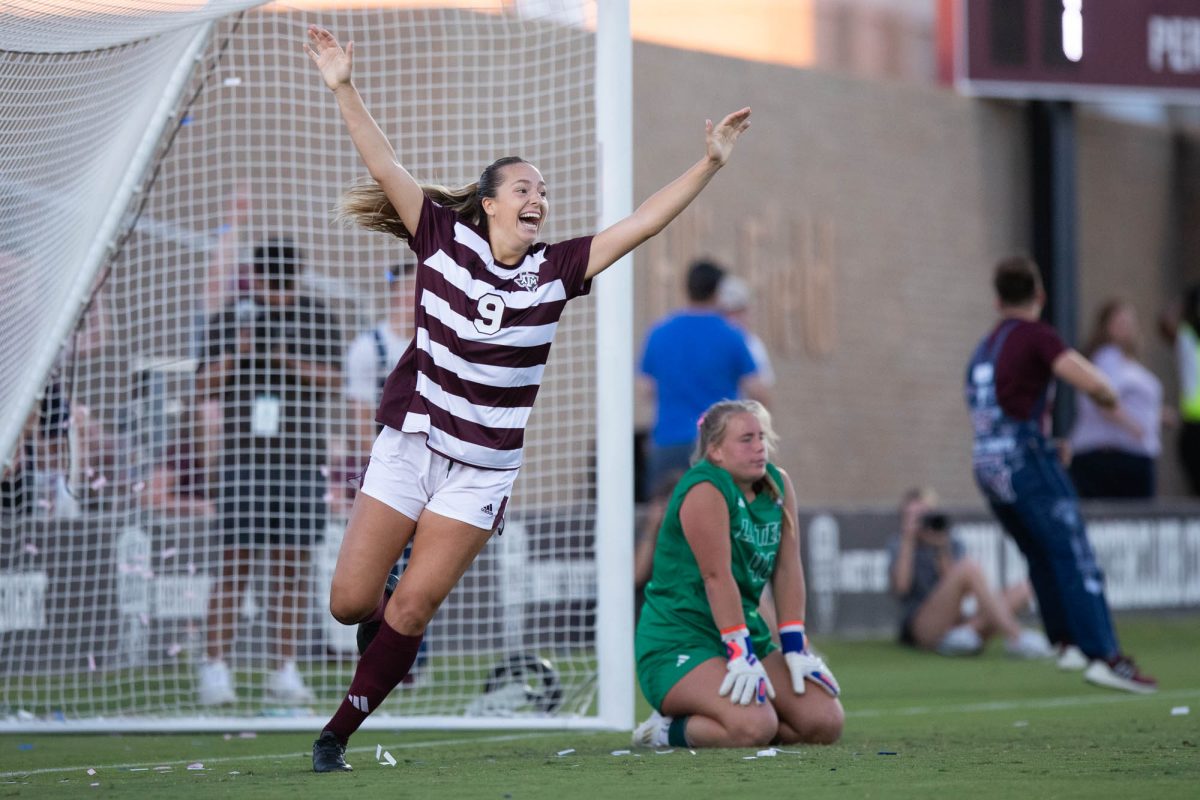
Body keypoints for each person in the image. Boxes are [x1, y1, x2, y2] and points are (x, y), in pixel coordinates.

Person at [304, 24, 753, 772]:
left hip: (481, 469)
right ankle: (372, 618)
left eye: (544, 191)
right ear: (487, 203)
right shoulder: (441, 237)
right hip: (411, 443)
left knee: (413, 611)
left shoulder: (559, 268)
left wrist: (708, 164)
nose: (538, 198)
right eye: (524, 188)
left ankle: (334, 736)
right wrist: (343, 84)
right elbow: (383, 164)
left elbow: (641, 223)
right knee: (351, 603)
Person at [964, 255, 1156, 693]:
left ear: (997, 300)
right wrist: (1108, 398)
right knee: (1075, 553)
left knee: (1040, 552)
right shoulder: (1037, 336)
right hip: (1024, 459)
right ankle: (1105, 655)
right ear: (1040, 295)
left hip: (987, 464)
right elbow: (1089, 380)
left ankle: (1065, 640)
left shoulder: (985, 345)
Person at [630, 400, 842, 750]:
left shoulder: (778, 483)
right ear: (714, 450)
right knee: (753, 727)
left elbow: (789, 568)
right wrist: (739, 652)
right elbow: (717, 576)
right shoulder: (704, 488)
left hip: (744, 634)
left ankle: (728, 715)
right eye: (746, 439)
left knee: (823, 722)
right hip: (680, 641)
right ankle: (664, 731)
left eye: (762, 436)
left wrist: (794, 646)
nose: (759, 446)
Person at [194, 237, 341, 707]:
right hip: (242, 459)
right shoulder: (230, 316)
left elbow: (335, 380)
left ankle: (284, 668)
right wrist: (239, 352)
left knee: (292, 566)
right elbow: (202, 384)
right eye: (267, 284)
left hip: (298, 459)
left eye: (283, 284)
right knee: (235, 562)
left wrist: (283, 359)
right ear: (252, 278)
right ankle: (215, 668)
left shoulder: (317, 315)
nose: (275, 293)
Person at [639, 260, 768, 495]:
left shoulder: (659, 333)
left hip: (668, 441)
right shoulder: (732, 335)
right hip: (717, 445)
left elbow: (645, 389)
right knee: (719, 519)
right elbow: (759, 391)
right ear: (718, 291)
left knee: (666, 521)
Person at [887, 487, 1050, 658]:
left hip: (958, 620)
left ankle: (963, 635)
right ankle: (1017, 637)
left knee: (1026, 587)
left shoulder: (950, 542)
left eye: (923, 514)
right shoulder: (898, 544)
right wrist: (908, 541)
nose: (920, 521)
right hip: (922, 625)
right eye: (913, 516)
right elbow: (901, 589)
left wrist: (941, 548)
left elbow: (961, 592)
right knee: (969, 567)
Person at [1068, 299, 1163, 499]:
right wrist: (1134, 426)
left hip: (1129, 455)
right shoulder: (1106, 357)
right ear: (1105, 327)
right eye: (1120, 323)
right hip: (1115, 457)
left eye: (1129, 323)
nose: (1126, 329)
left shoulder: (1123, 360)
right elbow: (1102, 397)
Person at [716, 274, 775, 389]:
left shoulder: (753, 345)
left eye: (738, 312)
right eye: (726, 313)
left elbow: (760, 389)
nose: (732, 319)